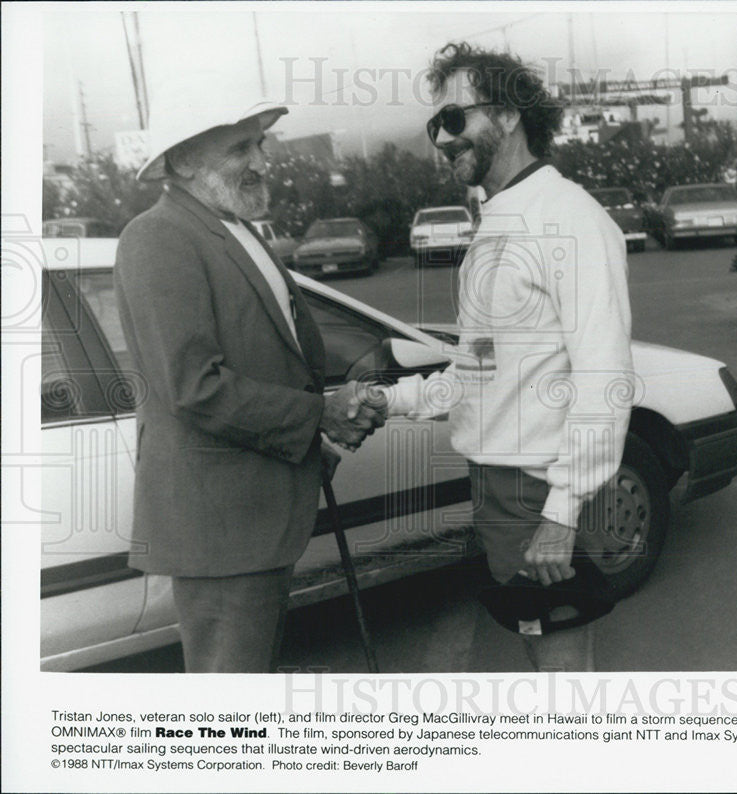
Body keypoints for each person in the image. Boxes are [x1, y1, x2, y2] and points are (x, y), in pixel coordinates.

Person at [381, 42, 634, 671]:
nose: (442, 138)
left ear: (511, 113)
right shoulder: (496, 220)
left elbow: (605, 376)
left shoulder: (570, 219)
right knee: (537, 643)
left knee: (561, 664)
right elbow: (478, 371)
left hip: (537, 484)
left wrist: (562, 509)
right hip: (497, 480)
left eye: (455, 118)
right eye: (434, 124)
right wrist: (390, 399)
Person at [114, 88, 385, 673]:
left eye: (259, 143)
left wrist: (324, 432)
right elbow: (194, 385)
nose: (262, 160)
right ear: (184, 160)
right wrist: (319, 415)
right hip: (220, 529)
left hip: (255, 518)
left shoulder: (236, 227)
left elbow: (279, 356)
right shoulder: (157, 236)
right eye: (241, 147)